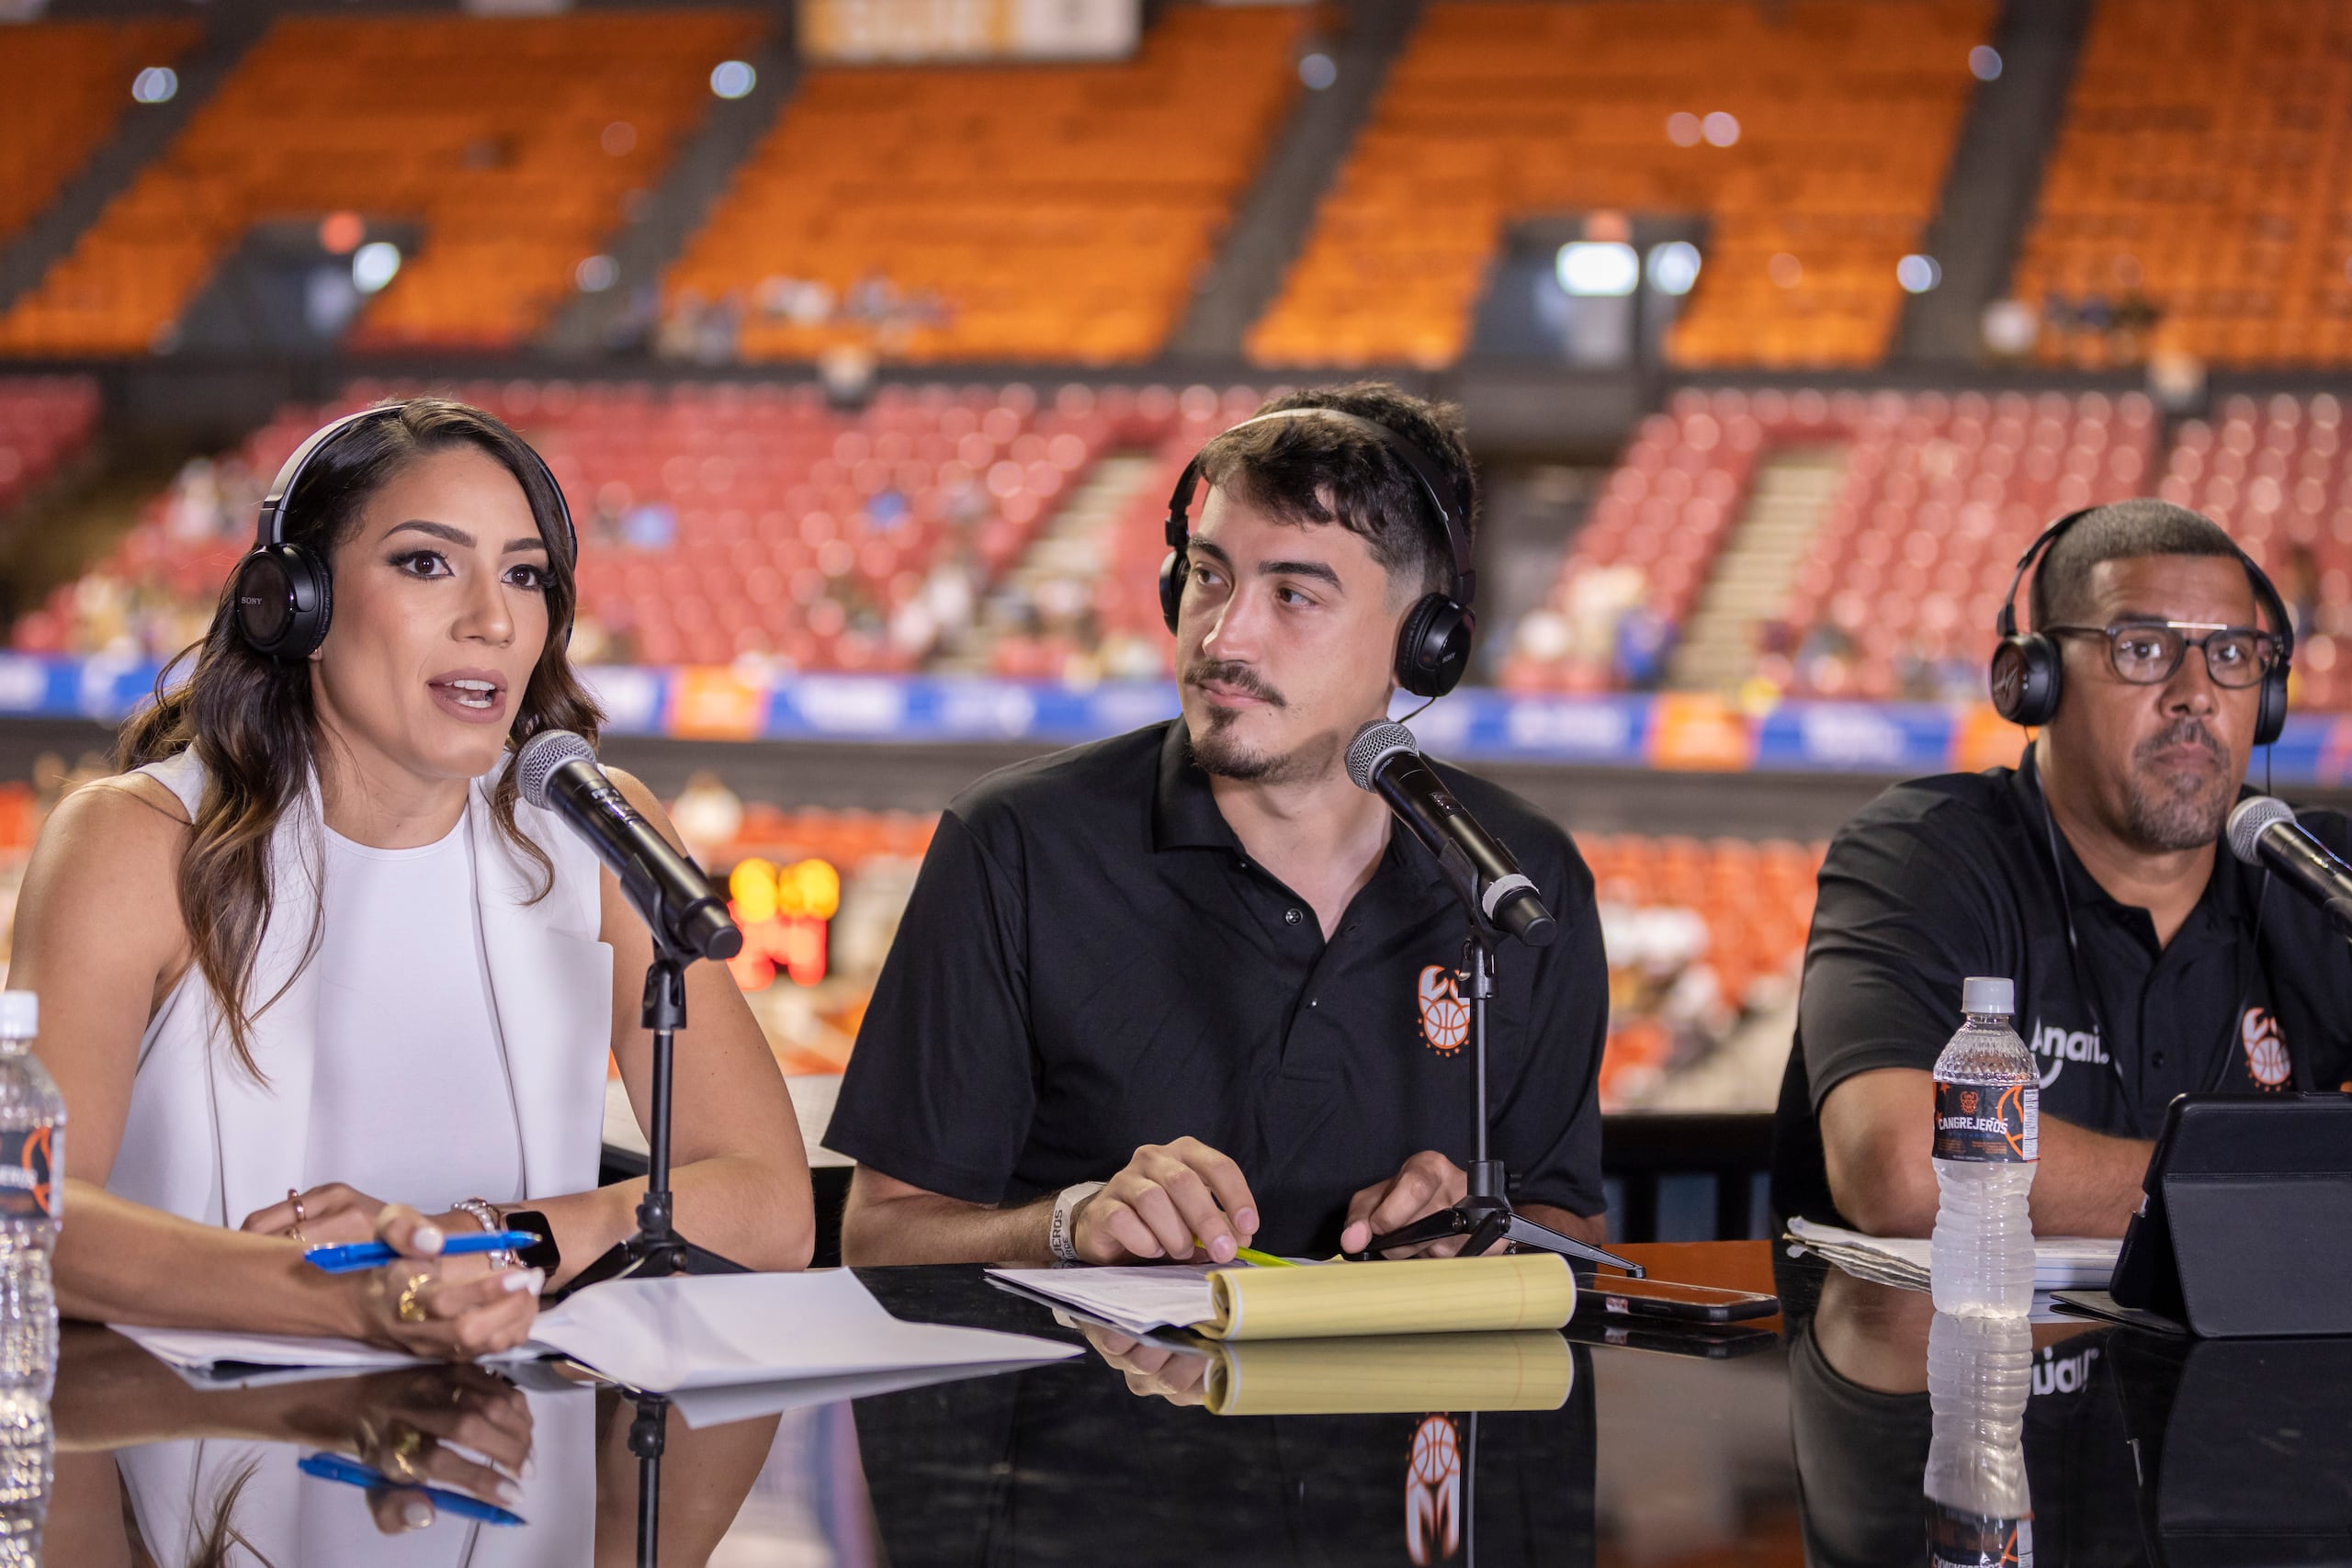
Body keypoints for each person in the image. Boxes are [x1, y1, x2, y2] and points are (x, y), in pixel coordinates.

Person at [8, 399, 811, 1358]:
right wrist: (349, 1298)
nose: (493, 619)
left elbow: (771, 1204)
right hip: (176, 1453)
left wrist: (482, 1243)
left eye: (525, 575)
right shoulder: (133, 840)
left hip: (502, 1451)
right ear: (293, 599)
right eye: (427, 563)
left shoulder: (592, 831)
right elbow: (32, 1212)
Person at [827, 382, 1610, 1265]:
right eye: (1208, 576)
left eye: (1294, 596)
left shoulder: (1520, 876)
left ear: (1423, 641)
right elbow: (879, 1236)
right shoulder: (1012, 846)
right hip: (1085, 1400)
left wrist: (1486, 1240)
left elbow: (1571, 1225)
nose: (1224, 638)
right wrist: (1068, 1225)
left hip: (1409, 1408)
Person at [1773, 500, 2352, 1236]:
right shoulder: (1923, 855)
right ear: (2033, 680)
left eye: (2233, 654)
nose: (2197, 695)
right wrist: (2273, 1190)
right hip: (1941, 1348)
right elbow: (1906, 1169)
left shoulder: (2321, 877)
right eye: (2143, 648)